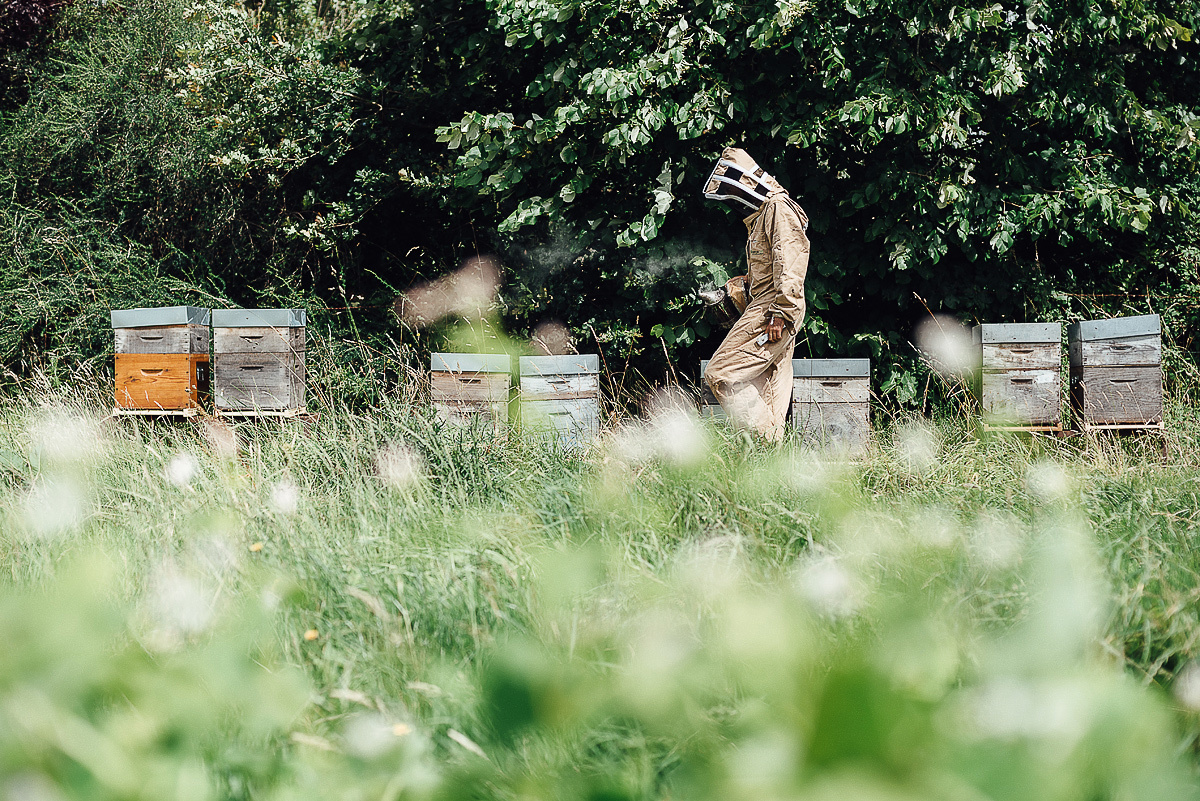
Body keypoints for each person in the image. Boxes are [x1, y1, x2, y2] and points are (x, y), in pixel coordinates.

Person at [702, 146, 810, 441]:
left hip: (772, 310)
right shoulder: (762, 216)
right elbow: (770, 269)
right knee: (770, 387)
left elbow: (791, 264)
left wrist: (781, 313)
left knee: (720, 373)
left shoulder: (778, 208)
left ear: (745, 181)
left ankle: (762, 441)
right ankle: (772, 462)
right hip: (769, 306)